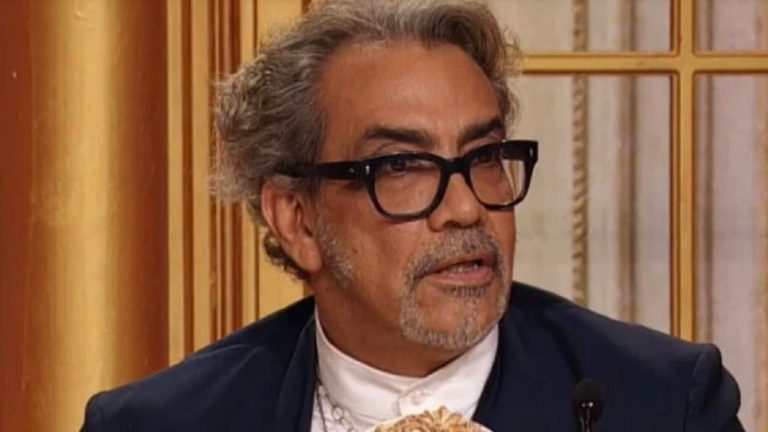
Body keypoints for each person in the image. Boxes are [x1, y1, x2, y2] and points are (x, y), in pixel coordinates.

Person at [81, 0, 743, 431]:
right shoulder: (163, 423)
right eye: (402, 166)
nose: (466, 207)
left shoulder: (662, 404)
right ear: (297, 219)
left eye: (485, 156)